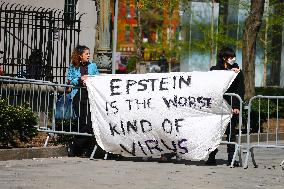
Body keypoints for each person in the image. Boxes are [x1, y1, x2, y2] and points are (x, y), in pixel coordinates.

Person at [206, 46, 245, 166]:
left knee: (231, 132)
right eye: (230, 57)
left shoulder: (237, 71)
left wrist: (237, 105)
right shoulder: (215, 69)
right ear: (224, 57)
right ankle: (211, 156)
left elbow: (240, 89)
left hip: (231, 105)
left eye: (234, 57)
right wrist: (228, 73)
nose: (233, 59)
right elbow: (213, 82)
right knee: (214, 132)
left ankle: (231, 158)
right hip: (217, 106)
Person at [66, 45, 99, 157]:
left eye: (89, 53)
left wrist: (90, 79)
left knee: (90, 123)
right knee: (81, 122)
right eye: (86, 54)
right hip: (78, 96)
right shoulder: (73, 66)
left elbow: (97, 78)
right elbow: (70, 80)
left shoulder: (93, 66)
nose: (89, 55)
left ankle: (76, 146)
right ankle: (83, 149)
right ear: (80, 55)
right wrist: (80, 79)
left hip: (89, 96)